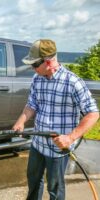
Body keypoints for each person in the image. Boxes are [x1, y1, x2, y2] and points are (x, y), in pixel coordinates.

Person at [12, 39, 99, 200]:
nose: (32, 68)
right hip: (38, 144)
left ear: (48, 61)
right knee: (33, 181)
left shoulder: (73, 82)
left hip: (58, 149)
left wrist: (70, 137)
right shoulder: (37, 79)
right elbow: (32, 104)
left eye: (35, 64)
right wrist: (21, 121)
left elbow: (93, 114)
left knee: (55, 188)